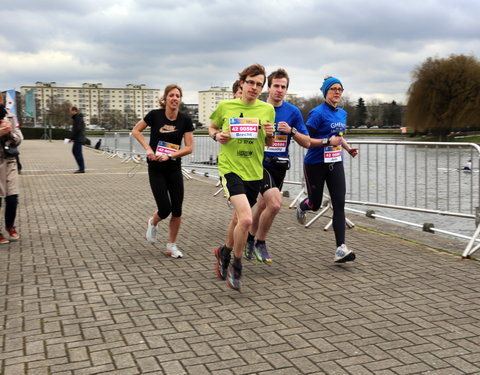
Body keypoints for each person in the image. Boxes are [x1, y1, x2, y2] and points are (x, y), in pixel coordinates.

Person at [210, 64, 275, 291]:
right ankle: (236, 265)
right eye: (251, 82)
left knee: (238, 220)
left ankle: (224, 252)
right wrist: (217, 135)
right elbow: (212, 126)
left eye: (259, 84)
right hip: (231, 169)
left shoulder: (267, 110)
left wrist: (270, 134)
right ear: (242, 83)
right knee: (246, 219)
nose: (254, 87)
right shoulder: (226, 106)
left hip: (254, 171)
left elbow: (268, 143)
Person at [245, 68, 310, 263]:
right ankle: (260, 243)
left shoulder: (293, 112)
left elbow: (306, 141)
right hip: (260, 163)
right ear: (269, 87)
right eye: (276, 86)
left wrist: (292, 131)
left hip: (280, 165)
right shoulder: (259, 107)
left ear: (286, 90)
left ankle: (249, 239)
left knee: (264, 204)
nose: (279, 90)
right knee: (274, 204)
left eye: (283, 87)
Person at [296, 76, 359, 263]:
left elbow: (337, 136)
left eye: (340, 89)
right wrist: (326, 142)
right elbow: (307, 141)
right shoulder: (317, 113)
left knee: (339, 204)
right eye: (333, 88)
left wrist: (348, 149)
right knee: (315, 204)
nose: (337, 92)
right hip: (315, 164)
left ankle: (341, 249)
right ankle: (302, 206)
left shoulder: (342, 114)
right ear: (325, 92)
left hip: (335, 162)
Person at [132, 84, 194, 258]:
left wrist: (171, 155)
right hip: (156, 168)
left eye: (178, 96)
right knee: (165, 209)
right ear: (165, 98)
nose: (175, 98)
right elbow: (136, 130)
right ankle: (153, 222)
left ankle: (171, 245)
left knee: (177, 209)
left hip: (173, 167)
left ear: (180, 100)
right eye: (171, 95)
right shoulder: (154, 115)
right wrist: (148, 149)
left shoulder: (185, 120)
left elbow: (189, 147)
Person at [0, 94, 23, 243]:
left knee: (13, 197)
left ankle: (10, 226)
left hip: (9, 161)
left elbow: (19, 137)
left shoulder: (10, 116)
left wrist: (9, 133)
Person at [69, 107, 86, 173]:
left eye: (70, 111)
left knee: (77, 153)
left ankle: (81, 168)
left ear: (74, 111)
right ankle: (81, 168)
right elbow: (75, 129)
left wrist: (72, 137)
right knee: (76, 152)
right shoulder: (76, 118)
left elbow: (77, 129)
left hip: (79, 138)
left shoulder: (78, 118)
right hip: (78, 138)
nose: (70, 112)